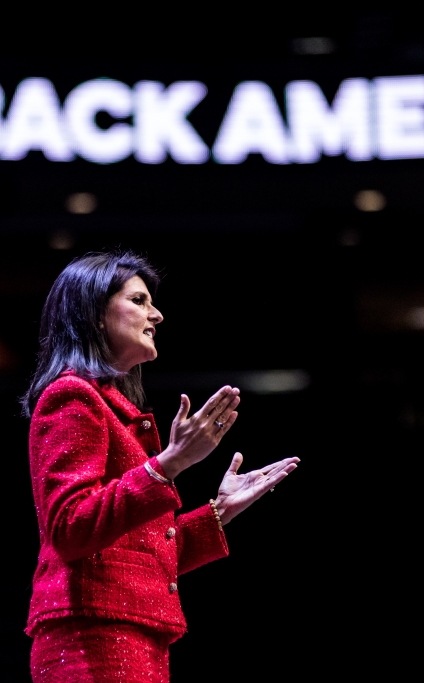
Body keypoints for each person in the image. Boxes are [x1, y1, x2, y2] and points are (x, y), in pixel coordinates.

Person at [21, 251, 299, 682]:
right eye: (139, 300)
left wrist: (219, 513)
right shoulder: (71, 397)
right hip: (91, 637)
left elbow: (135, 549)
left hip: (128, 635)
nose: (157, 314)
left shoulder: (108, 405)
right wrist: (168, 464)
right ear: (94, 314)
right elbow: (71, 528)